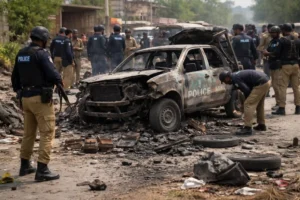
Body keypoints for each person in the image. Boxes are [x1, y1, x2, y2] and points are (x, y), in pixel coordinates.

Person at [11, 26, 62, 181]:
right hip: (40, 99)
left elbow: (15, 79)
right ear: (43, 39)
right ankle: (42, 170)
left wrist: (20, 93)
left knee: (29, 134)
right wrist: (58, 81)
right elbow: (53, 74)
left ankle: (25, 165)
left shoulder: (21, 53)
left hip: (25, 99)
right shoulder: (41, 54)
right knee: (47, 132)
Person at [219, 70, 271, 135]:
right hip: (265, 81)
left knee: (248, 104)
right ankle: (261, 125)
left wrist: (245, 103)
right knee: (259, 104)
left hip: (260, 83)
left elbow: (246, 90)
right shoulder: (235, 76)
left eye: (224, 81)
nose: (225, 83)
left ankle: (247, 128)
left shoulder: (235, 78)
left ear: (227, 78)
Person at [271, 23, 300, 115]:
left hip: (285, 66)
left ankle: (282, 108)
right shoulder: (297, 40)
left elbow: (276, 53)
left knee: (283, 87)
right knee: (296, 87)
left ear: (283, 31)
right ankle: (298, 108)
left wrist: (268, 53)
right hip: (296, 65)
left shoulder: (282, 40)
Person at [262, 26, 282, 111]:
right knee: (274, 85)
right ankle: (278, 102)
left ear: (278, 33)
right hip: (272, 64)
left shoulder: (280, 41)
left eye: (274, 32)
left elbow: (278, 53)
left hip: (278, 65)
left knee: (277, 85)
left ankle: (280, 103)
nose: (273, 34)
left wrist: (268, 53)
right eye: (272, 33)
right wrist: (266, 53)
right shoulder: (271, 42)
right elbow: (269, 50)